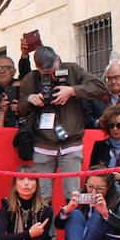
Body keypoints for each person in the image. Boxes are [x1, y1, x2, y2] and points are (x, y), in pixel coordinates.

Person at [16, 45, 107, 201]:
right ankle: (43, 225)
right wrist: (30, 99)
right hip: (43, 144)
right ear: (37, 67)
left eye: (52, 72)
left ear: (57, 60)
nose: (50, 77)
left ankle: (73, 224)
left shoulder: (72, 70)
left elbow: (100, 88)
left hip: (71, 143)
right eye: (45, 74)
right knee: (42, 198)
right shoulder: (31, 78)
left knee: (73, 196)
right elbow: (20, 110)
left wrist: (72, 90)